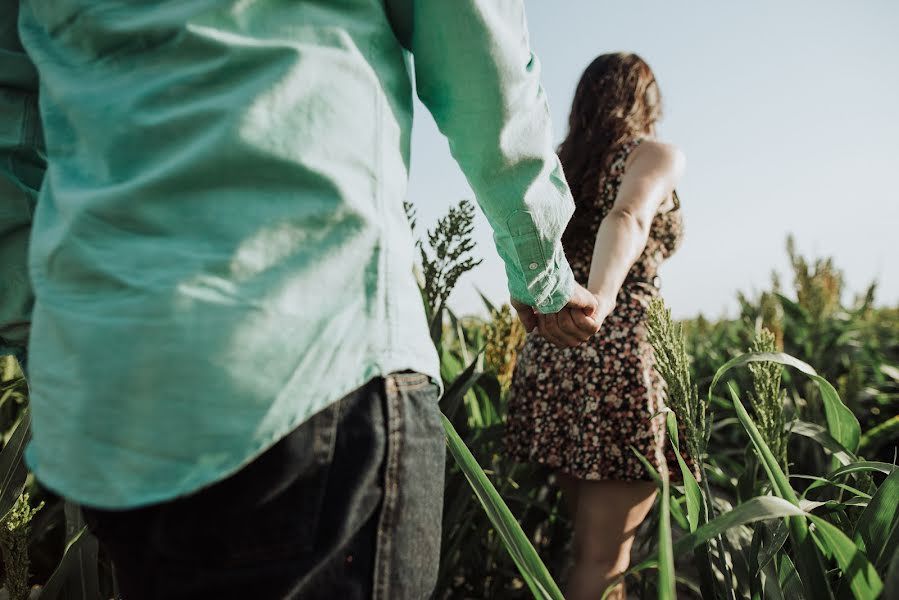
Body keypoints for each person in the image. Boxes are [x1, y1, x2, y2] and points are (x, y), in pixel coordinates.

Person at [0, 1, 601, 598]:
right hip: (316, 348)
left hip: (113, 388)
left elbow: (9, 125)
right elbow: (477, 46)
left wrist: (48, 330)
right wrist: (541, 272)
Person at [505, 52, 689, 600]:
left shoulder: (558, 163)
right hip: (615, 354)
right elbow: (628, 216)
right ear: (646, 101)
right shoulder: (652, 153)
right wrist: (602, 299)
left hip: (557, 352)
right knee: (606, 560)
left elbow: (524, 238)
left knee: (587, 547)